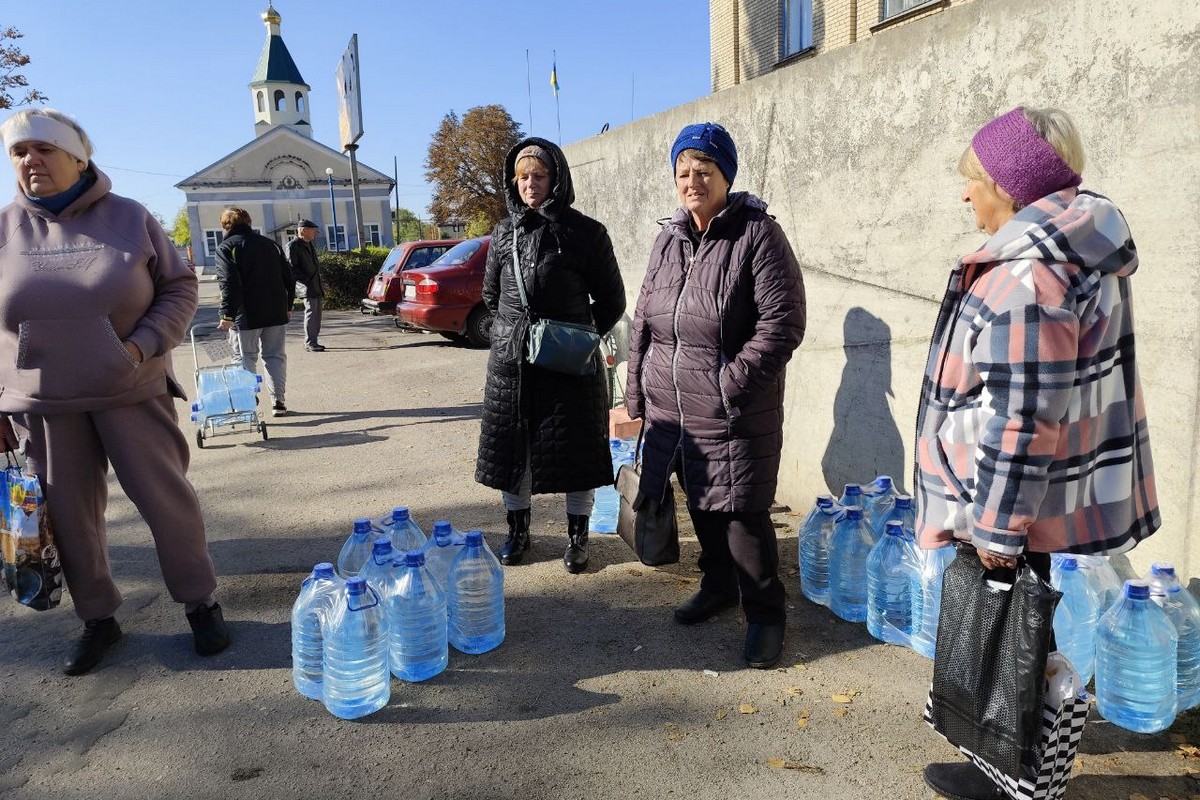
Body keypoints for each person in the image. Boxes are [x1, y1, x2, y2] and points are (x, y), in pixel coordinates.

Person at [915, 106, 1160, 800]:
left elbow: (1023, 417)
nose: (966, 194)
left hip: (1012, 497)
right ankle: (1010, 767)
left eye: (975, 180)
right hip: (1047, 492)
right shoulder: (1073, 250)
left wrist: (995, 529)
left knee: (1012, 638)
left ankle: (1011, 777)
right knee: (1024, 632)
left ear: (1012, 185)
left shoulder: (1030, 271)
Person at [0, 108, 230, 675]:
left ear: (78, 156)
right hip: (45, 404)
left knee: (166, 502)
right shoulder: (4, 229)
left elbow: (178, 288)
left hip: (131, 389)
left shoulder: (130, 218)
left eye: (44, 149)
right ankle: (98, 619)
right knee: (72, 518)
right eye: (18, 151)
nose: (31, 160)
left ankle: (201, 602)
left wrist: (140, 347)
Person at [625, 122, 806, 670]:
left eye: (704, 169)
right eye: (683, 170)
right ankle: (718, 585)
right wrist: (637, 389)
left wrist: (730, 386)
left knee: (741, 517)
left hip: (731, 410)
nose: (692, 180)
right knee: (699, 503)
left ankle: (766, 615)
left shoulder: (758, 236)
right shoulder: (668, 238)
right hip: (671, 409)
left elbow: (783, 323)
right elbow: (645, 321)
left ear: (726, 174)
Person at [475, 137, 626, 574]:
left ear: (556, 177)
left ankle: (578, 538)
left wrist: (573, 340)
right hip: (512, 367)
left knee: (575, 452)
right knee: (514, 453)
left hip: (569, 368)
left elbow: (612, 301)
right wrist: (518, 335)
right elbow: (491, 295)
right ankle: (518, 531)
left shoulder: (586, 233)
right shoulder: (504, 233)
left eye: (538, 175)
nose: (530, 184)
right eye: (522, 177)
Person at [215, 207, 295, 416]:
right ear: (249, 222)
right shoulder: (271, 245)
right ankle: (278, 401)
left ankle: (248, 401)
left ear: (225, 225)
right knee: (275, 356)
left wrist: (227, 315)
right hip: (276, 311)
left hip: (246, 314)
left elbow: (229, 283)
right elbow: (289, 277)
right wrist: (288, 306)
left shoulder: (226, 247)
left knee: (244, 357)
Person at [285, 218, 326, 352]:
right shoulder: (293, 246)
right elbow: (292, 268)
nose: (315, 233)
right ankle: (310, 342)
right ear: (304, 231)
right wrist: (306, 280)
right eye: (312, 230)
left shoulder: (309, 244)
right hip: (307, 286)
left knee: (317, 315)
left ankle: (313, 341)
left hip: (315, 284)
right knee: (311, 314)